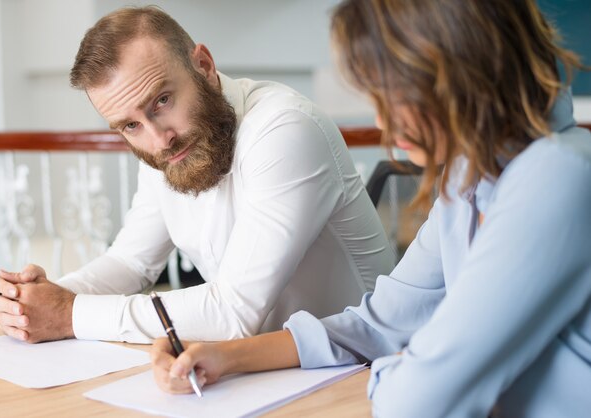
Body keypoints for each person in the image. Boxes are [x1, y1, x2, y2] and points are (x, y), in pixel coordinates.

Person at [149, 0, 591, 416]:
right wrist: (226, 356)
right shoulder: (466, 178)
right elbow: (380, 323)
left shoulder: (559, 175)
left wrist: (405, 366)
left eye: (395, 92)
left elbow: (414, 400)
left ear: (461, 71)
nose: (382, 121)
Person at [0, 6, 395, 344]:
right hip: (262, 368)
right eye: (129, 126)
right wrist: (44, 298)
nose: (158, 140)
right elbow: (131, 262)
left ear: (203, 65)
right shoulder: (168, 146)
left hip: (359, 365)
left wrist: (70, 314)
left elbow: (232, 312)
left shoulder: (285, 129)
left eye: (162, 101)